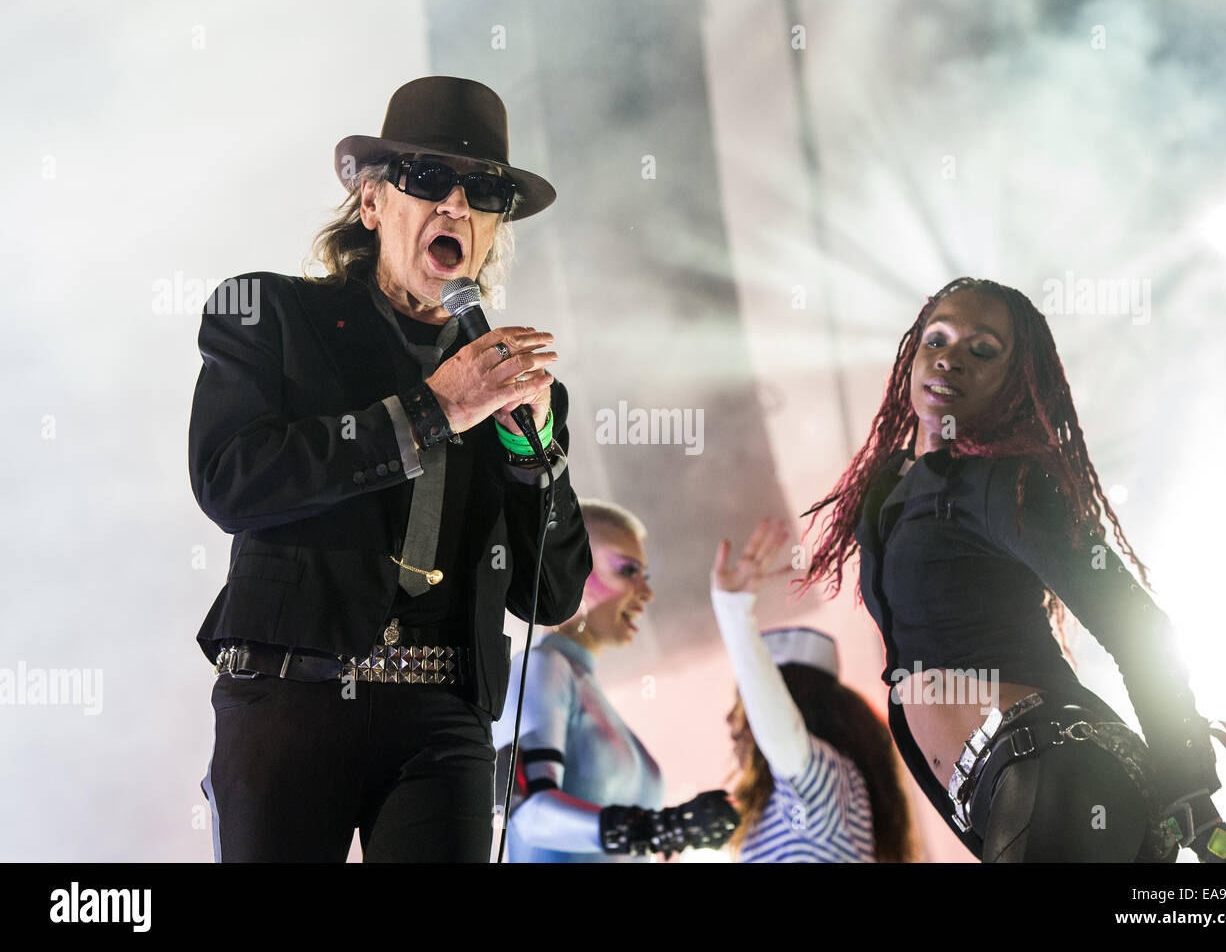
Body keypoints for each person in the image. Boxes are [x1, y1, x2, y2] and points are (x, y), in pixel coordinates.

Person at [189, 76, 592, 862]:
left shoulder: (512, 383)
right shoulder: (270, 315)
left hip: (442, 715)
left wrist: (534, 454)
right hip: (291, 688)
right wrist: (432, 409)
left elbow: (550, 592)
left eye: (482, 190)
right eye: (426, 178)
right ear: (372, 203)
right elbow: (232, 479)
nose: (455, 203)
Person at [798, 276, 1226, 862]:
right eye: (937, 340)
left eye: (982, 351)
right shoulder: (890, 489)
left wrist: (1191, 794)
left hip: (1060, 771)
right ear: (912, 355)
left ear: (1014, 382)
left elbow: (1136, 624)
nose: (950, 359)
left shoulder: (1008, 485)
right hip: (1005, 795)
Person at [494, 499, 737, 861]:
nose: (646, 592)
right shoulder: (543, 667)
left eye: (645, 576)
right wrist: (656, 828)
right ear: (571, 567)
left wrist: (659, 831)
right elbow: (527, 814)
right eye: (627, 571)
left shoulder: (579, 684)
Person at [712, 518, 917, 862]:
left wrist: (733, 611)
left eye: (746, 701)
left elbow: (780, 736)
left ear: (793, 705)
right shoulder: (784, 810)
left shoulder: (826, 787)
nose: (730, 720)